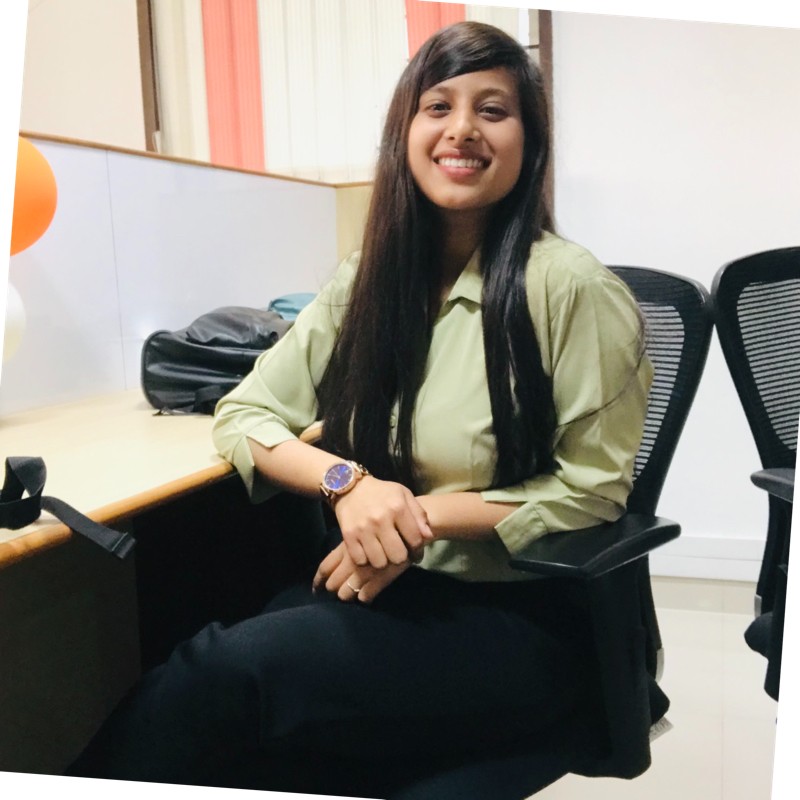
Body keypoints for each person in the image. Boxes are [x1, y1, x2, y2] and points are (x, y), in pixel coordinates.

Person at [66, 21, 652, 796]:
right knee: (211, 666)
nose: (462, 129)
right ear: (405, 132)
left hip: (520, 617)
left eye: (493, 110)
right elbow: (246, 413)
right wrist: (347, 483)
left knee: (228, 674)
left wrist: (413, 519)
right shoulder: (369, 280)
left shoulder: (571, 288)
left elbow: (594, 491)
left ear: (529, 142)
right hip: (394, 592)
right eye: (438, 106)